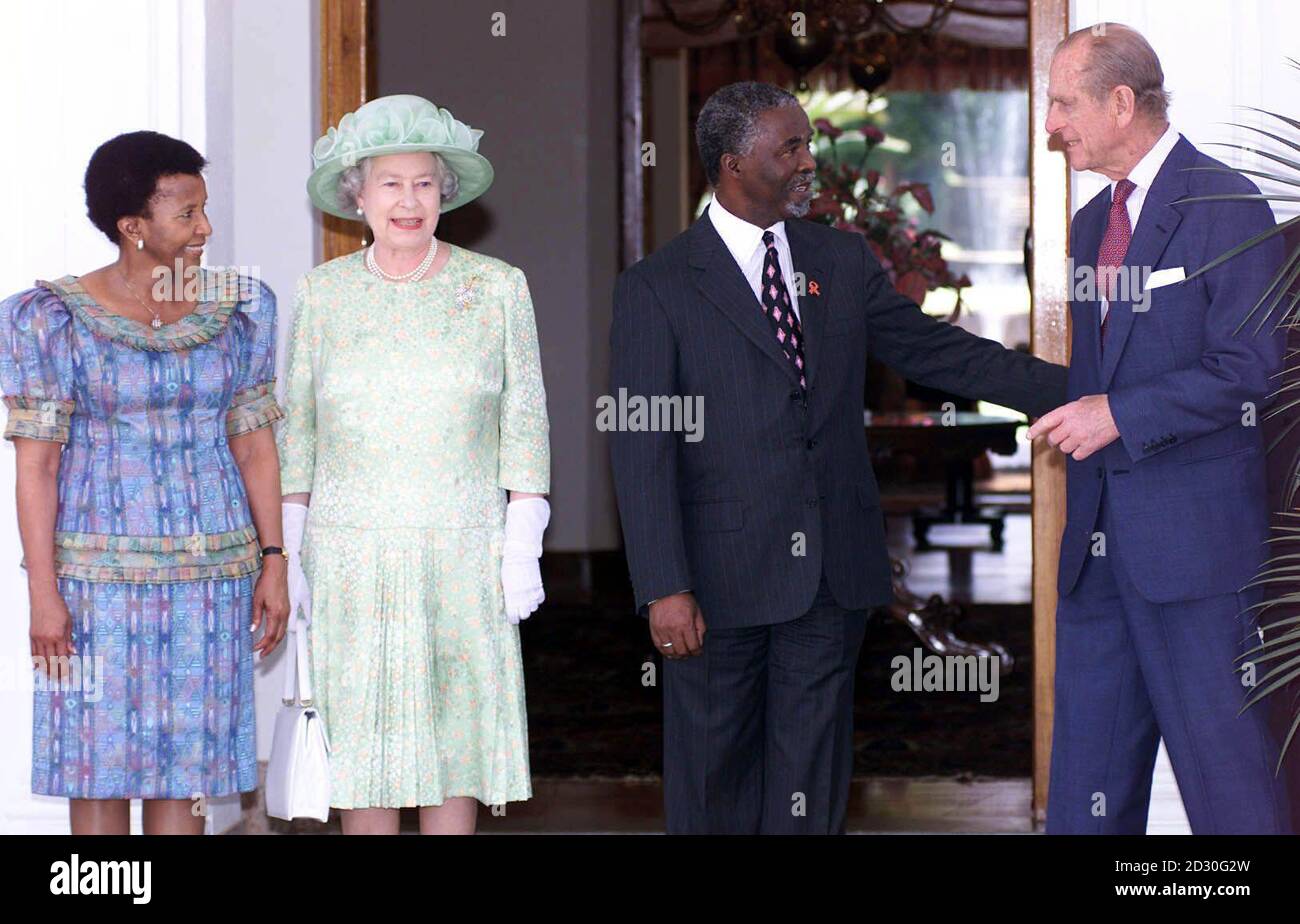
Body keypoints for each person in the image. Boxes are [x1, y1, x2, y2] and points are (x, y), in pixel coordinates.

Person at [609, 81, 1068, 834]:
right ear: (732, 164)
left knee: (811, 780)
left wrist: (1079, 391)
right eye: (788, 147)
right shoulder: (657, 288)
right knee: (713, 774)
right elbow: (641, 447)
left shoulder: (841, 260)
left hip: (833, 568)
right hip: (715, 580)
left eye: (807, 143)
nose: (807, 161)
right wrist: (663, 584)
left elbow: (936, 352)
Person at [1030, 23, 1291, 834]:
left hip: (1199, 561)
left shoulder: (1227, 205)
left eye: (1064, 103)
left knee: (1233, 798)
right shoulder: (1084, 228)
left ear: (1119, 101)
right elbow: (1095, 378)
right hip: (1096, 562)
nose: (1051, 124)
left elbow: (1249, 370)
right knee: (1084, 798)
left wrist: (1119, 415)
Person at [0, 131, 290, 835]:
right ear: (133, 227)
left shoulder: (243, 310)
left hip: (212, 577)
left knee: (186, 771)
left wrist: (275, 560)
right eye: (187, 213)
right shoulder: (50, 319)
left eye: (204, 209)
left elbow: (254, 443)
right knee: (94, 766)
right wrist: (43, 593)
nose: (206, 228)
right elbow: (35, 464)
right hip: (94, 581)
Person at [280, 94, 551, 835]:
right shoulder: (322, 294)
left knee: (454, 747)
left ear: (445, 194)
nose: (409, 200)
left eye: (425, 183)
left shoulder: (496, 288)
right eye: (390, 183)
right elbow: (296, 436)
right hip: (351, 559)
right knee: (367, 750)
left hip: (464, 555)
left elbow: (524, 426)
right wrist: (291, 554)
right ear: (356, 195)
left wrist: (521, 546)